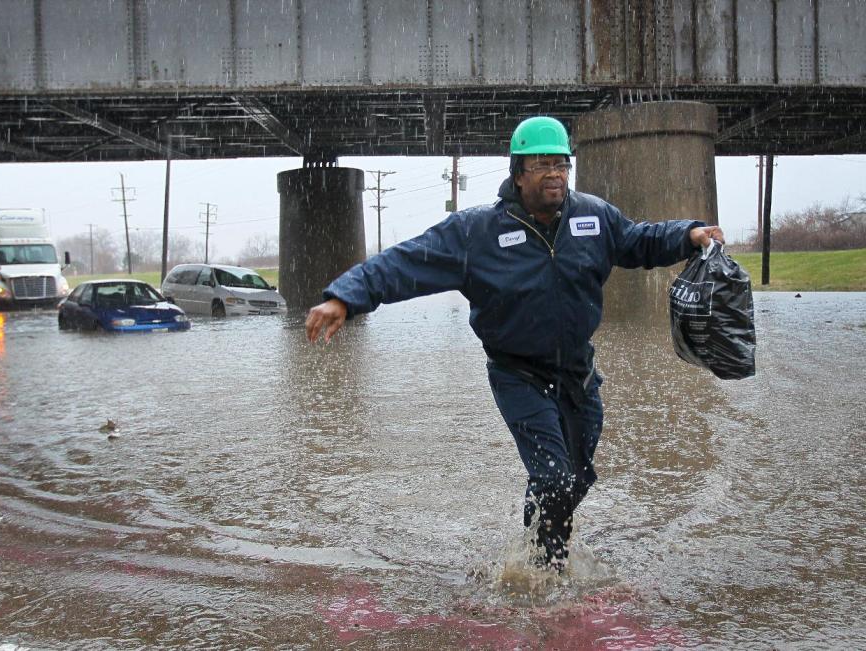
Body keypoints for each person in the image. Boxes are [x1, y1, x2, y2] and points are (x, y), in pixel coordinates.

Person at [305, 116, 724, 571]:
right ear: (518, 171)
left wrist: (687, 234)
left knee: (577, 478)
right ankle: (547, 572)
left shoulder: (594, 217)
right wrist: (345, 297)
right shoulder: (477, 233)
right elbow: (405, 261)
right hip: (518, 375)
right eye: (541, 164)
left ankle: (533, 549)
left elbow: (638, 240)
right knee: (554, 479)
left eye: (561, 163)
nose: (555, 174)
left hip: (578, 373)